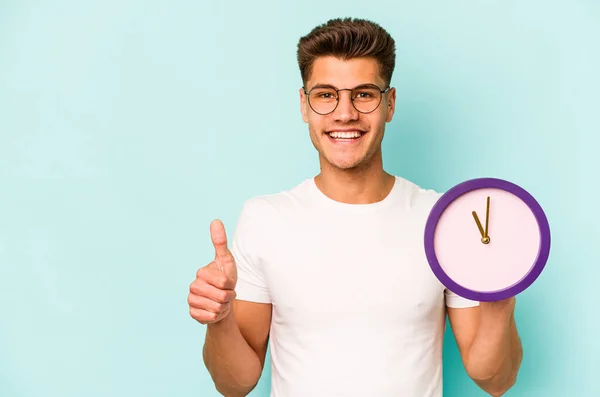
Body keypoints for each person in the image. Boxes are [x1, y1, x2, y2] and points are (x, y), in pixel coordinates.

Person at [188, 17, 523, 397]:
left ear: (390, 103)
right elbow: (235, 384)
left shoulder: (440, 219)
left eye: (363, 94)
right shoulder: (266, 219)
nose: (344, 113)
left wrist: (500, 298)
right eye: (325, 94)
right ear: (304, 104)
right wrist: (220, 318)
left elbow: (495, 380)